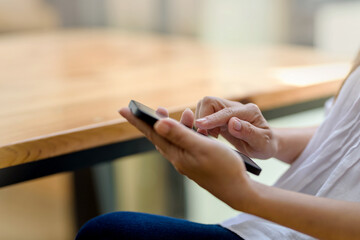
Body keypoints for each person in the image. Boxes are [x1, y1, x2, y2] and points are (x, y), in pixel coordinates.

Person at [76, 51, 360, 240]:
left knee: (107, 234)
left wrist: (245, 194)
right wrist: (272, 140)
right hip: (272, 229)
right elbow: (343, 133)